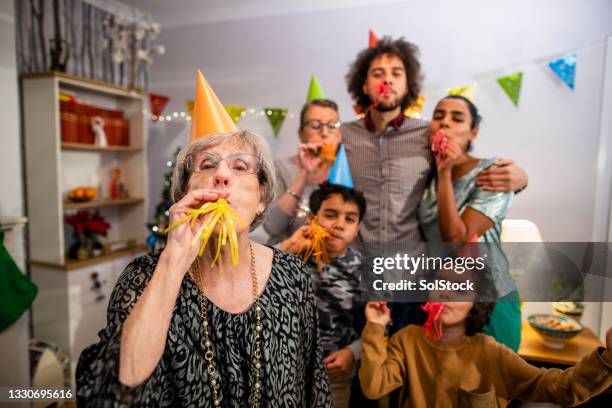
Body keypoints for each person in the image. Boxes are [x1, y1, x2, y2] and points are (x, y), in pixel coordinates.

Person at [76, 130, 333, 407]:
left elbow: (313, 384)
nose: (222, 175)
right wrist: (174, 259)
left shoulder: (293, 274)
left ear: (261, 198)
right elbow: (112, 395)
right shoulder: (144, 276)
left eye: (240, 166)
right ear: (185, 193)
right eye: (207, 165)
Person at [341, 36, 529, 333]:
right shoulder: (343, 135)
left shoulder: (427, 134)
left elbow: (466, 163)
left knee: (411, 369)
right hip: (360, 274)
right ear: (364, 85)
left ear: (408, 85)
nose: (387, 80)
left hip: (414, 281)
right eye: (378, 73)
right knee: (364, 370)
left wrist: (519, 179)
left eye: (396, 73)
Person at [359, 263, 612, 407]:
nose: (446, 292)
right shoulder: (407, 340)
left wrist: (607, 359)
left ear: (476, 303)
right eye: (441, 282)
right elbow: (373, 387)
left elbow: (563, 389)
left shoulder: (492, 353)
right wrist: (376, 326)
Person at [418, 95, 521, 351]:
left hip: (490, 296)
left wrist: (444, 174)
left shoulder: (493, 172)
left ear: (473, 132)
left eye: (457, 118)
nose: (445, 123)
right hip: (444, 301)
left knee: (490, 386)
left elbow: (457, 241)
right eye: (438, 116)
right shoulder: (425, 179)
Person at [285, 182, 366, 407]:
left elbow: (379, 326)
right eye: (330, 215)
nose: (339, 225)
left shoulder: (365, 271)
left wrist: (353, 352)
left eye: (350, 219)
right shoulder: (292, 255)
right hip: (286, 371)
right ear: (313, 218)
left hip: (334, 376)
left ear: (358, 227)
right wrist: (288, 247)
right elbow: (255, 277)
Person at [264, 99, 342, 245]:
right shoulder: (279, 168)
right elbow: (272, 228)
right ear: (301, 134)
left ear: (339, 135)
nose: (324, 133)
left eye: (332, 126)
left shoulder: (347, 170)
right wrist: (304, 173)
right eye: (315, 125)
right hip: (288, 259)